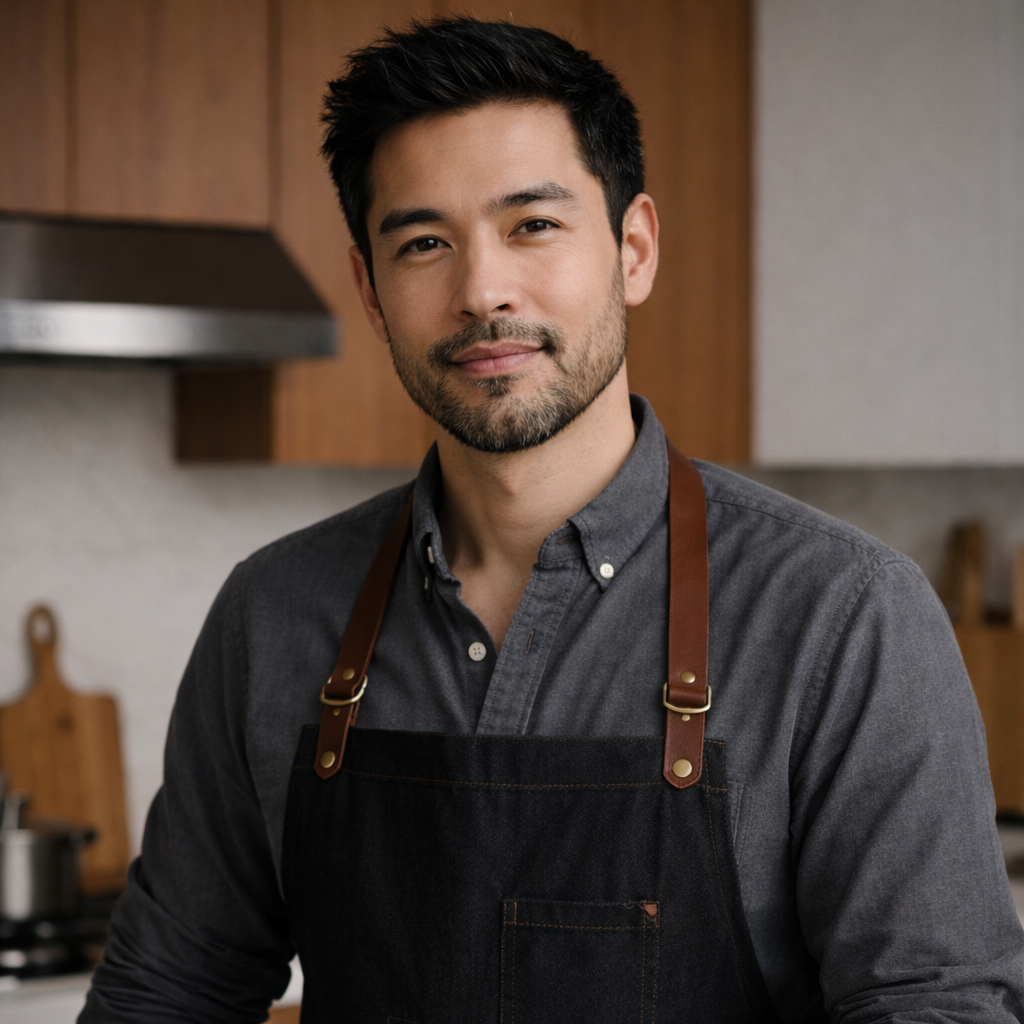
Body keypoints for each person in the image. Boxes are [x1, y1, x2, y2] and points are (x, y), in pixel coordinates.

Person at [82, 17, 1024, 1024]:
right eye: (424, 242)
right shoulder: (272, 613)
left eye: (532, 224)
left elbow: (936, 1010)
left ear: (633, 248)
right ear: (369, 289)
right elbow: (165, 993)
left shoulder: (844, 615)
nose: (482, 291)